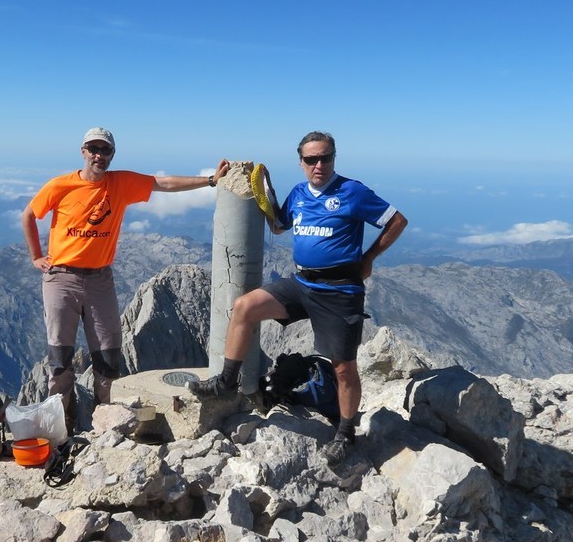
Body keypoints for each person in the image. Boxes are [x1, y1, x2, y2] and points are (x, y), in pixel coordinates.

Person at [189, 131, 407, 463]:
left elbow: (396, 221)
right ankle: (226, 382)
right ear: (301, 162)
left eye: (325, 158)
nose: (318, 165)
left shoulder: (352, 191)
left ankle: (346, 434)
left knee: (344, 368)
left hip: (339, 290)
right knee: (244, 307)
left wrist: (367, 259)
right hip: (301, 283)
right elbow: (280, 226)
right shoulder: (300, 194)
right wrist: (265, 194)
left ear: (334, 158)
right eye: (311, 159)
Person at [22, 127, 229, 420]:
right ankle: (60, 429)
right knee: (60, 360)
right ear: (83, 152)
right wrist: (35, 257)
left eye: (105, 150)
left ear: (112, 155)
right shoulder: (60, 186)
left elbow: (163, 183)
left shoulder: (121, 183)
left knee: (108, 358)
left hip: (99, 280)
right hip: (61, 279)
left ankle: (103, 425)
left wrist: (210, 180)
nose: (98, 155)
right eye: (93, 149)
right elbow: (29, 215)